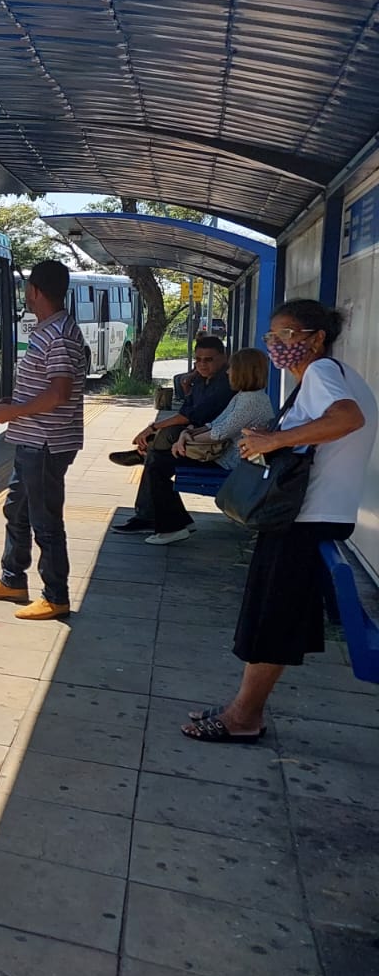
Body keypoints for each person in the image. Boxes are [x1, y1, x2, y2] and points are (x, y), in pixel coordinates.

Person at [183, 300, 377, 743]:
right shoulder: (327, 377)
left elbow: (348, 418)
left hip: (307, 518)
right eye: (272, 337)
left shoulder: (325, 373)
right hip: (309, 516)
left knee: (272, 620)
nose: (276, 345)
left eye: (286, 335)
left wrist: (277, 439)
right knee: (271, 616)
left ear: (316, 338)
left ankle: (244, 717)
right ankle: (242, 707)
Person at [0, 259, 88, 620]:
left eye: (27, 289)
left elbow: (59, 394)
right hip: (32, 439)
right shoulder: (49, 330)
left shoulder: (59, 336)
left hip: (46, 444)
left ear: (35, 291)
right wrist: (16, 407)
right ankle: (13, 579)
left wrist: (13, 413)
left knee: (45, 521)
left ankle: (56, 596)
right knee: (17, 511)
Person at [142, 348, 276, 545]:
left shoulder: (251, 400)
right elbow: (215, 424)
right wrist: (186, 435)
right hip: (224, 456)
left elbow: (219, 433)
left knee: (158, 466)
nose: (228, 373)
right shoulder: (245, 396)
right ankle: (179, 522)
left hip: (231, 462)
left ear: (243, 371)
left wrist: (185, 438)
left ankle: (173, 527)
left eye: (232, 369)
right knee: (158, 462)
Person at [109, 334, 233, 536]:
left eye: (209, 360)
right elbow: (188, 408)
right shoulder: (202, 381)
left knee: (158, 454)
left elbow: (188, 416)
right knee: (158, 455)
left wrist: (152, 427)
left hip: (212, 448)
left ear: (224, 358)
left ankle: (144, 458)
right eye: (198, 360)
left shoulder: (224, 384)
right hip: (194, 438)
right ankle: (146, 458)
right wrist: (187, 387)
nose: (202, 365)